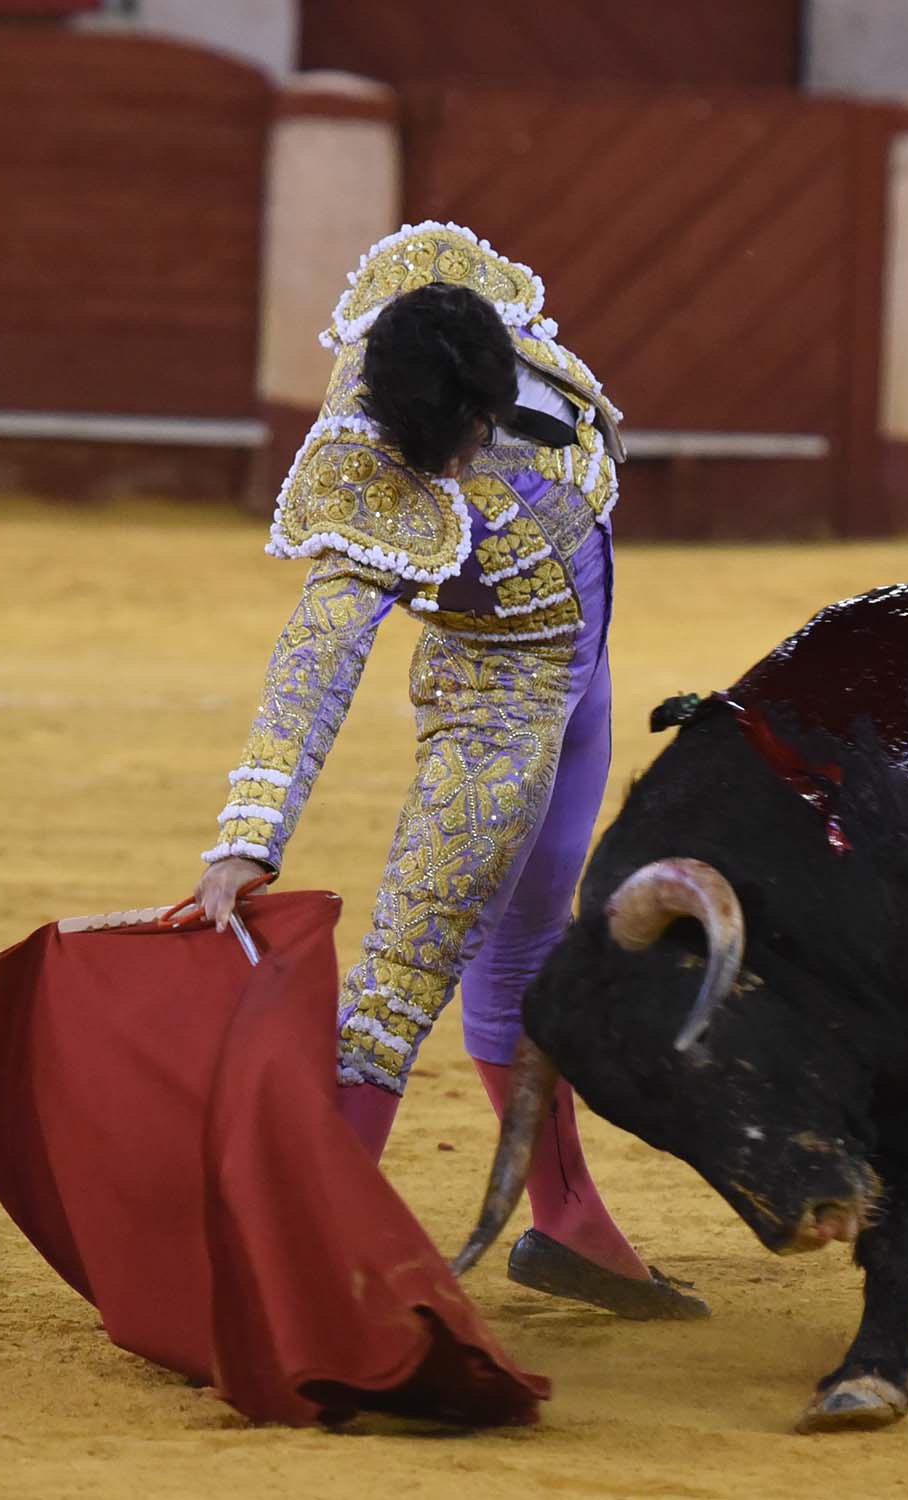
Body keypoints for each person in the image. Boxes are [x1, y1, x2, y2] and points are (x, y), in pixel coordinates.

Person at [192, 222, 707, 1321]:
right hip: (491, 711)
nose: (454, 462)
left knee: (529, 946)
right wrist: (248, 835)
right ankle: (282, 1266)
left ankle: (568, 1228)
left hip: (581, 684)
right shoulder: (363, 466)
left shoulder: (485, 325)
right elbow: (315, 660)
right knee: (398, 983)